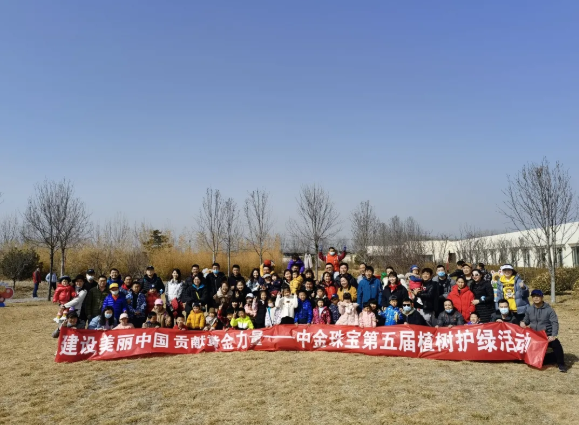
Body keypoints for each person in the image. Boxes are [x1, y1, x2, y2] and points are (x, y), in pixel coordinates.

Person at [521, 289, 567, 372]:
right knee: (535, 360)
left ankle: (561, 364)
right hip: (534, 336)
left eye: (538, 296)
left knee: (556, 344)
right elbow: (526, 320)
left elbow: (554, 323)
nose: (536, 298)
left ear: (542, 297)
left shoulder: (549, 310)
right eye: (534, 296)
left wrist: (553, 335)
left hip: (546, 336)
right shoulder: (529, 309)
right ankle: (552, 357)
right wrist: (523, 322)